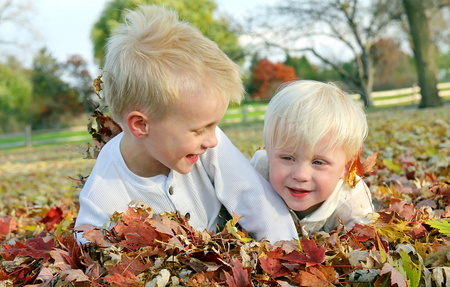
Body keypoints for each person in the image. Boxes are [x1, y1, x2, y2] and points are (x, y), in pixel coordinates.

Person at [74, 5, 298, 244]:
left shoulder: (209, 146)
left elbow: (254, 197)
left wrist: (285, 251)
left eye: (214, 126)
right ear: (141, 125)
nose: (212, 139)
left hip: (224, 254)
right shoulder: (105, 184)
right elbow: (87, 239)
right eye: (200, 129)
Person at [251, 80, 374, 236]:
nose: (301, 175)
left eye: (318, 162)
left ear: (346, 167)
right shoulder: (257, 173)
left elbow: (365, 243)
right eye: (288, 158)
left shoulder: (352, 202)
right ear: (269, 154)